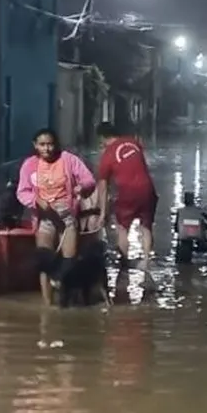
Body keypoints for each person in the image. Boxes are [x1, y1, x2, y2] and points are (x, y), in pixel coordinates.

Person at [16, 128, 96, 305]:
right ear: (35, 146)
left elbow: (89, 180)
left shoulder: (69, 160)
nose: (47, 149)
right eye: (42, 145)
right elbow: (22, 192)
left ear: (56, 144)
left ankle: (65, 300)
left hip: (67, 219)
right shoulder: (29, 165)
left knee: (69, 261)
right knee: (45, 262)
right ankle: (48, 304)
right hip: (44, 219)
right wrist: (36, 200)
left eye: (50, 144)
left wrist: (81, 188)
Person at [95, 122, 157, 267]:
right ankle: (147, 260)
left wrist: (103, 213)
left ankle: (124, 261)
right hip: (148, 189)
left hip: (128, 193)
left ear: (102, 138)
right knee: (146, 227)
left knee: (123, 228)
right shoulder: (133, 142)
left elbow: (103, 187)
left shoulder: (107, 156)